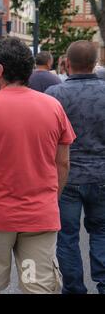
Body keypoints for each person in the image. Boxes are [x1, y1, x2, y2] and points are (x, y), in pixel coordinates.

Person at [0, 37, 76, 294]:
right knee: (37, 287)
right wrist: (51, 198)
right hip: (39, 217)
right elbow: (63, 162)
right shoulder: (53, 106)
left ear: (0, 70)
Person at [45, 41, 105, 294]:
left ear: (67, 64)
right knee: (102, 232)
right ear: (95, 63)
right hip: (101, 173)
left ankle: (74, 288)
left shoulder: (54, 95)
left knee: (67, 237)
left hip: (66, 176)